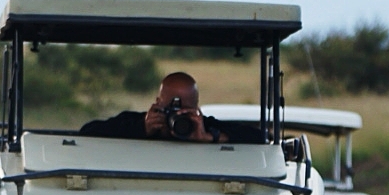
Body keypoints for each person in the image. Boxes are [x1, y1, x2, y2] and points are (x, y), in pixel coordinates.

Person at [79, 72, 259, 144]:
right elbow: (87, 133)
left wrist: (209, 137)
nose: (176, 116)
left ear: (196, 109)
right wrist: (141, 128)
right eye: (169, 109)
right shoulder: (135, 123)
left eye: (184, 111)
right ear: (157, 102)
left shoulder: (204, 126)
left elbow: (260, 139)